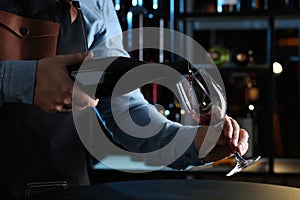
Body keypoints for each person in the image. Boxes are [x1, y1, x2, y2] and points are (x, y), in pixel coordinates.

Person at [0, 0, 249, 199]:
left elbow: (123, 107)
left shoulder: (95, 4)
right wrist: (23, 81)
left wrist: (192, 142)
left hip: (61, 186)